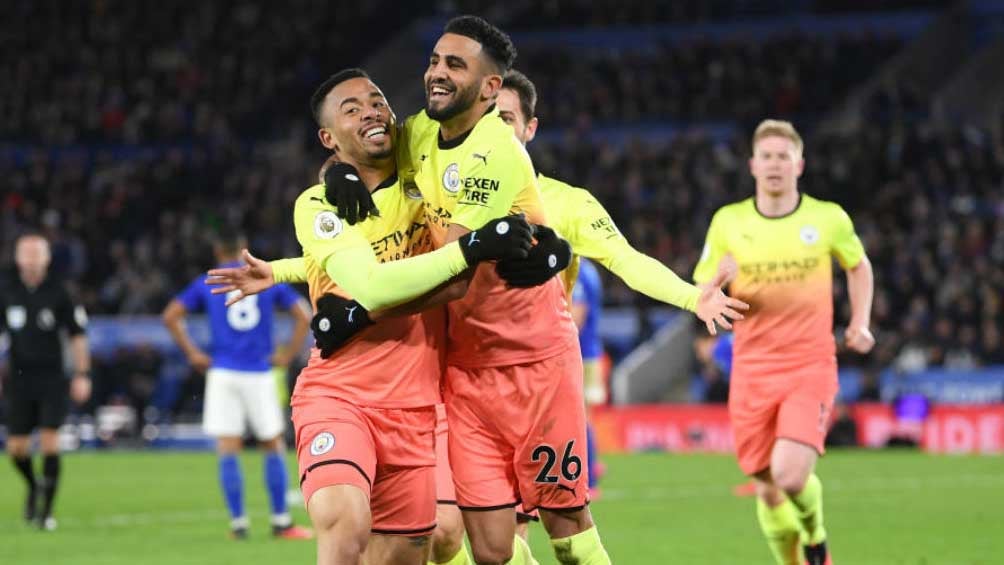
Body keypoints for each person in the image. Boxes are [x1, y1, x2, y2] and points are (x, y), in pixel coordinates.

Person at [213, 68, 537, 565]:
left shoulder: (425, 181)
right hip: (342, 395)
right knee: (346, 528)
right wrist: (471, 247)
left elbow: (451, 279)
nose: (370, 111)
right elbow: (370, 283)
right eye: (351, 109)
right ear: (329, 138)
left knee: (424, 546)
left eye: (377, 101)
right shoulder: (319, 204)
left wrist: (310, 288)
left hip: (418, 405)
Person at [693, 119, 875, 565]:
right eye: (767, 156)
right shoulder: (728, 222)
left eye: (783, 156)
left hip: (808, 365)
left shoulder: (827, 218)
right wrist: (718, 281)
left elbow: (859, 265)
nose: (775, 164)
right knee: (767, 484)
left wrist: (861, 321)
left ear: (800, 164)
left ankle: (816, 537)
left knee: (790, 476)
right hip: (751, 368)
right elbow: (701, 288)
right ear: (753, 165)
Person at [162, 228, 313, 540]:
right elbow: (304, 313)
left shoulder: (209, 280)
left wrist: (193, 353)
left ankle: (238, 525)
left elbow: (171, 316)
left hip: (223, 372)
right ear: (244, 248)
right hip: (259, 372)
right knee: (271, 444)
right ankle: (281, 522)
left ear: (218, 251)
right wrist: (287, 354)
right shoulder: (262, 278)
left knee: (228, 448)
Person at [1, 233, 91, 531]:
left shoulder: (61, 292)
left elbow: (77, 336)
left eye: (36, 253)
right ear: (17, 258)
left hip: (52, 377)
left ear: (47, 258)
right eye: (25, 253)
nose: (30, 259)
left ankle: (46, 513)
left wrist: (81, 374)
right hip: (18, 377)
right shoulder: (7, 289)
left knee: (50, 442)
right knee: (16, 448)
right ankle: (34, 485)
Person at [570, 258, 605, 499]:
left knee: (580, 417)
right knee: (583, 416)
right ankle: (591, 470)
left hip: (580, 354)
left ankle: (589, 478)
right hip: (589, 351)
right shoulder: (589, 269)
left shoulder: (577, 269)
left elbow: (577, 314)